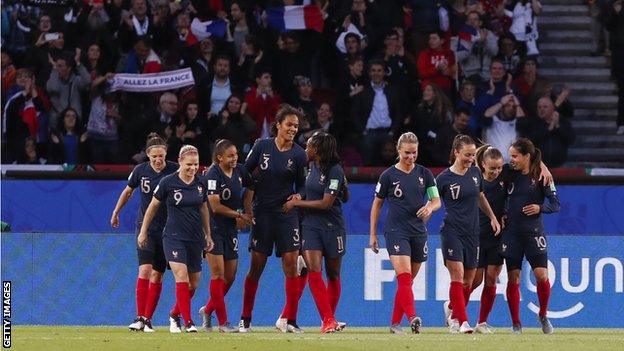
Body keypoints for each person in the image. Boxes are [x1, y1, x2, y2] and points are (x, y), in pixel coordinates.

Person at [238, 104, 308, 333]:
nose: (292, 129)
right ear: (278, 125)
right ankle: (245, 318)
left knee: (291, 266)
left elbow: (304, 185)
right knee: (256, 267)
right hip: (262, 214)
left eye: (296, 126)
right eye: (289, 124)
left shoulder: (299, 154)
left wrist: (298, 196)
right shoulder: (262, 146)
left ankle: (289, 319)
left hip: (286, 214)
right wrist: (252, 189)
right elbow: (245, 170)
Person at [369, 132, 441, 334]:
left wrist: (429, 208)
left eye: (414, 153)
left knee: (407, 283)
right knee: (404, 277)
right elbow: (377, 205)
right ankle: (412, 317)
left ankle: (394, 324)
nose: (410, 157)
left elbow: (436, 200)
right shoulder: (388, 175)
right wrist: (373, 234)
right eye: (407, 153)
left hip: (418, 231)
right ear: (398, 150)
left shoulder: (425, 174)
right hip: (396, 231)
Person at [138, 144, 214, 333]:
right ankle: (187, 322)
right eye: (189, 164)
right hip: (173, 236)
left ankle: (174, 314)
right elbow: (153, 207)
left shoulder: (200, 183)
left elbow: (204, 208)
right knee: (181, 276)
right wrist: (143, 231)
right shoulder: (167, 182)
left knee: (194, 283)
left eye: (195, 164)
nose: (192, 168)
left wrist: (208, 234)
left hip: (195, 238)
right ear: (180, 162)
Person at [110, 134, 178, 332]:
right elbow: (128, 191)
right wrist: (116, 212)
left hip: (167, 229)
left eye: (161, 156)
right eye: (154, 156)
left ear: (166, 154)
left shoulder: (175, 170)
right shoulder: (140, 170)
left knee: (157, 275)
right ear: (148, 155)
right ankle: (139, 317)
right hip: (145, 228)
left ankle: (148, 319)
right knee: (145, 270)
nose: (158, 160)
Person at [282, 132, 347, 333]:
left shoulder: (335, 170)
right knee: (314, 271)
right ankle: (327, 320)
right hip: (310, 226)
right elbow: (307, 189)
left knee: (334, 274)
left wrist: (296, 203)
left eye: (308, 145)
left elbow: (327, 203)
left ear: (317, 150)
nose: (305, 148)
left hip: (333, 227)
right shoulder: (310, 166)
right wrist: (300, 195)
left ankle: (329, 319)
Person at [436, 134, 501, 334]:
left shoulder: (475, 173)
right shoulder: (443, 179)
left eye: (473, 155)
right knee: (458, 276)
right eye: (467, 155)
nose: (470, 159)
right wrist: (426, 213)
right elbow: (433, 200)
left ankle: (453, 312)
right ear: (456, 152)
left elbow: (481, 196)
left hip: (473, 233)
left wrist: (492, 217)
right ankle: (462, 321)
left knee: (470, 281)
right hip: (452, 231)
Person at [502, 138, 560, 334]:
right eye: (510, 156)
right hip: (511, 233)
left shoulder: (542, 177)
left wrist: (539, 207)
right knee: (513, 278)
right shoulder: (508, 172)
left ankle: (543, 314)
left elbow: (555, 204)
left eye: (515, 156)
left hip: (534, 232)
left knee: (541, 276)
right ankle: (516, 324)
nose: (511, 160)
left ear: (527, 156)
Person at [198, 139, 254, 333]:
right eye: (230, 156)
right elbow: (215, 205)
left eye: (236, 155)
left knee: (230, 277)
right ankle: (223, 322)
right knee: (218, 275)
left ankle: (208, 309)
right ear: (219, 157)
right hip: (212, 229)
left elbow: (252, 186)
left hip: (230, 229)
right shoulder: (213, 174)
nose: (234, 158)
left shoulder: (239, 171)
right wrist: (240, 215)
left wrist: (249, 211)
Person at [470, 145, 507, 334]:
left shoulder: (505, 179)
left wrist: (543, 167)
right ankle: (453, 307)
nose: (496, 171)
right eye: (492, 168)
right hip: (476, 237)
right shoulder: (474, 179)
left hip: (497, 238)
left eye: (499, 167)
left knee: (491, 279)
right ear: (483, 165)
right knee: (474, 281)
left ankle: (482, 322)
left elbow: (530, 160)